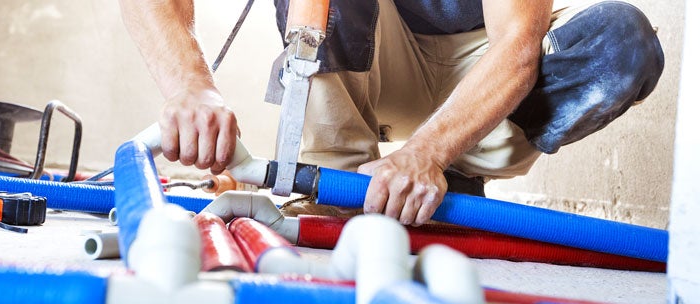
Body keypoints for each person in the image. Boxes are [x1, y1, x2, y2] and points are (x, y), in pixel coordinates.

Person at [118, 0, 663, 226]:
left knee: (621, 44)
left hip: (484, 71)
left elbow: (518, 40)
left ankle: (453, 171)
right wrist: (192, 88)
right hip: (382, 56)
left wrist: (426, 153)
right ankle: (338, 187)